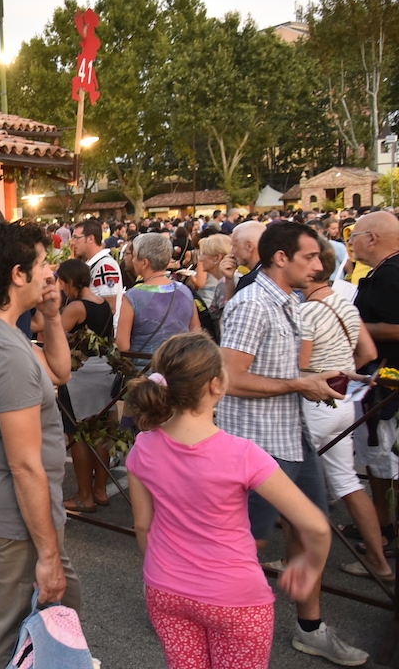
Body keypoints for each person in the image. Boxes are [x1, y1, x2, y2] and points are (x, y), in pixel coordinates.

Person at [126, 332, 331, 669]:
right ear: (217, 385)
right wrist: (309, 567)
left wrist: (166, 573)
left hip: (165, 589)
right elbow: (316, 527)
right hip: (236, 599)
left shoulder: (143, 447)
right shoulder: (244, 455)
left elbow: (143, 526)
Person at [218, 221, 368, 666]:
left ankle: (310, 628)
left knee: (311, 528)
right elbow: (229, 378)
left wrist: (320, 379)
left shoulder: (288, 301)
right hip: (257, 444)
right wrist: (299, 384)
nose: (320, 265)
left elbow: (282, 371)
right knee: (246, 542)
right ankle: (208, 612)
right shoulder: (251, 304)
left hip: (290, 437)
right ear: (280, 257)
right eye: (310, 257)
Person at [0, 221, 79, 665]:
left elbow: (60, 372)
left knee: (58, 607)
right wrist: (47, 554)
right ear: (18, 274)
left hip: (9, 507)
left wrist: (51, 315)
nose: (51, 272)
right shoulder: (1, 349)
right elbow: (25, 464)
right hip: (17, 514)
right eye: (43, 263)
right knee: (11, 630)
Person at [299, 237, 391, 581]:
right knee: (348, 482)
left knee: (293, 484)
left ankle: (300, 562)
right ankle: (380, 563)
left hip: (314, 406)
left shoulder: (306, 310)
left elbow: (300, 367)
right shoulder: (345, 303)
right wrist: (340, 374)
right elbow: (367, 353)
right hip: (342, 405)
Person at [349, 211, 399, 552]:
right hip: (382, 382)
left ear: (372, 238)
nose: (350, 240)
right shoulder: (385, 272)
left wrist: (356, 327)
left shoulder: (390, 276)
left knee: (383, 459)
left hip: (386, 385)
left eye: (355, 234)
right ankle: (381, 525)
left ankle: (383, 535)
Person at [53, 258, 116, 514]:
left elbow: (55, 336)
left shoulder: (76, 306)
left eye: (62, 283)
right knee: (101, 434)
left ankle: (84, 497)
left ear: (70, 282)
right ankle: (100, 492)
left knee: (77, 435)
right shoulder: (103, 302)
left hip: (80, 374)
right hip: (105, 371)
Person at [116, 233, 200, 366]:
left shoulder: (133, 296)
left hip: (145, 374)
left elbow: (122, 345)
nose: (132, 260)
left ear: (145, 263)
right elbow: (196, 333)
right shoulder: (185, 291)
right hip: (179, 370)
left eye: (134, 256)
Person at [72, 218, 124, 315]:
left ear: (90, 238)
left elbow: (110, 307)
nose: (73, 242)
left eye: (76, 238)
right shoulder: (93, 263)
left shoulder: (105, 266)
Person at [222, 220, 265, 300]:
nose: (232, 252)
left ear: (249, 247)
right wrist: (229, 279)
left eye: (235, 246)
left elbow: (235, 309)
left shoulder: (251, 280)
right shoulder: (272, 269)